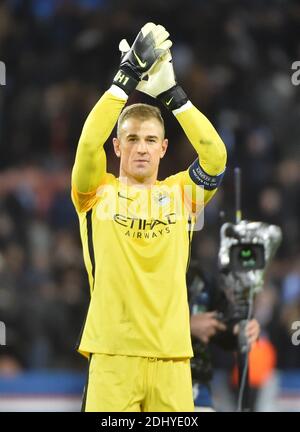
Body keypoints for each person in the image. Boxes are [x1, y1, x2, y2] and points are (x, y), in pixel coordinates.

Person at [71, 22, 227, 412]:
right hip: (112, 356)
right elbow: (88, 142)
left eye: (151, 140)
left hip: (172, 358)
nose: (142, 148)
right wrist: (123, 81)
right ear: (118, 146)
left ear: (164, 148)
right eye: (133, 139)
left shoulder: (181, 195)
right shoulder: (95, 194)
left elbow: (216, 157)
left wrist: (174, 97)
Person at [188, 262, 260, 411]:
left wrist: (241, 328)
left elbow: (222, 320)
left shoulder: (199, 277)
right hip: (151, 378)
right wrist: (184, 326)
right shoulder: (140, 272)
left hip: (196, 385)